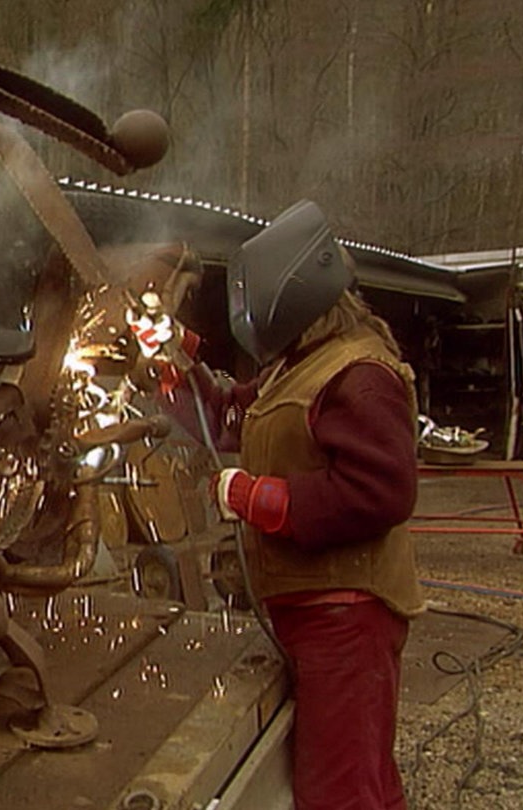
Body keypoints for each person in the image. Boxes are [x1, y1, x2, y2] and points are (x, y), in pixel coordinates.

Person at [152, 199, 424, 810]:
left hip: (348, 618)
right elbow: (226, 418)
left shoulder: (359, 374)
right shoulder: (296, 367)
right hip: (311, 612)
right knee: (362, 778)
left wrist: (254, 497)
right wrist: (172, 363)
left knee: (338, 793)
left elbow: (381, 492)